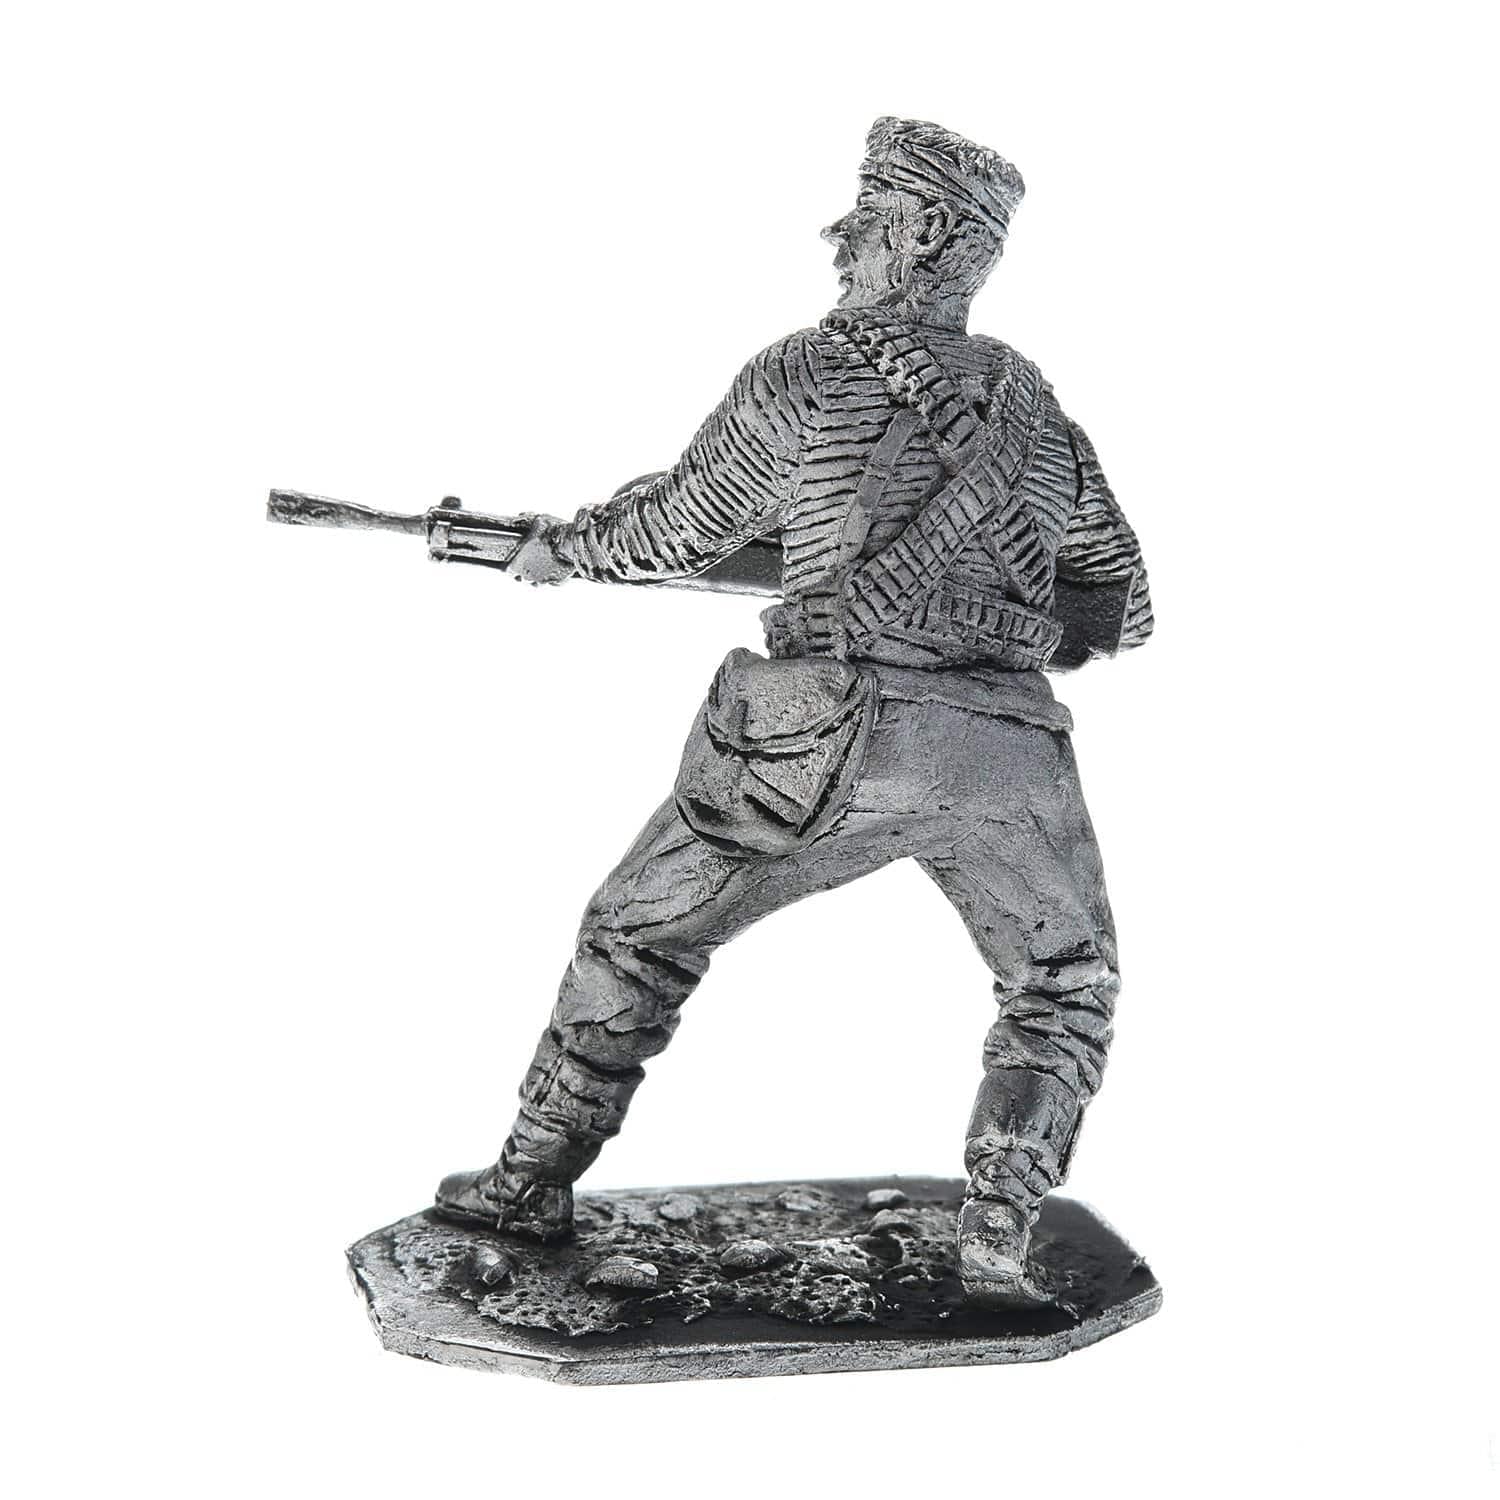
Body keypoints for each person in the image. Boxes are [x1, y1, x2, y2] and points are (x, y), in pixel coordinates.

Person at [435, 117, 1153, 1307]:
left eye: (867, 216)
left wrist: (564, 549)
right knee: (1063, 982)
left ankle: (529, 1181)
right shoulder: (1035, 409)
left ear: (928, 235)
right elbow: (1122, 602)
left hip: (830, 736)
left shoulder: (808, 373)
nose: (838, 236)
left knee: (636, 935)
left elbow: (680, 526)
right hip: (1009, 754)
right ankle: (998, 1221)